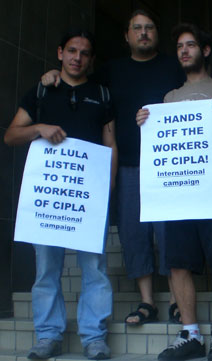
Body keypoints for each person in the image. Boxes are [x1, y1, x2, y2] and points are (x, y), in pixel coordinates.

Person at [41, 10, 212, 326]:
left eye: (149, 28)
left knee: (169, 233)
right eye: (137, 28)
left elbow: (201, 81)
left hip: (174, 166)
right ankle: (146, 301)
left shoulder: (175, 65)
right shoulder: (110, 70)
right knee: (134, 234)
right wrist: (51, 75)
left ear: (156, 35)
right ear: (127, 36)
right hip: (129, 160)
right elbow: (79, 81)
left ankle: (175, 301)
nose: (143, 33)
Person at [4, 29, 117, 360]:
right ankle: (48, 335)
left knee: (94, 268)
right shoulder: (42, 91)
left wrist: (108, 188)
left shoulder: (102, 94)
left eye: (83, 53)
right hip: (49, 196)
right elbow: (11, 135)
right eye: (71, 51)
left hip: (88, 197)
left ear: (91, 59)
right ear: (59, 53)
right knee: (46, 269)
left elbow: (111, 146)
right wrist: (38, 128)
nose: (77, 58)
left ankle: (94, 337)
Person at [137, 23, 212, 361]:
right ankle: (191, 333)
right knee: (178, 263)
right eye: (179, 46)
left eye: (191, 44)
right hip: (178, 193)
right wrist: (146, 122)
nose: (184, 50)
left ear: (205, 51)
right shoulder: (168, 99)